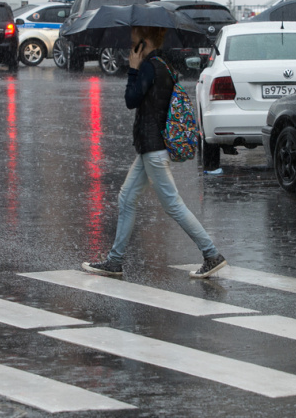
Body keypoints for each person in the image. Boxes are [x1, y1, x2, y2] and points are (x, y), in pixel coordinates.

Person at [82, 25, 227, 279]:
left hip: (153, 149)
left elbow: (131, 100)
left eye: (134, 39)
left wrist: (133, 69)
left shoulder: (150, 67)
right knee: (127, 198)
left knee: (173, 205)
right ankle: (114, 261)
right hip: (149, 148)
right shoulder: (164, 65)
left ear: (143, 42)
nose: (130, 43)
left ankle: (211, 253)